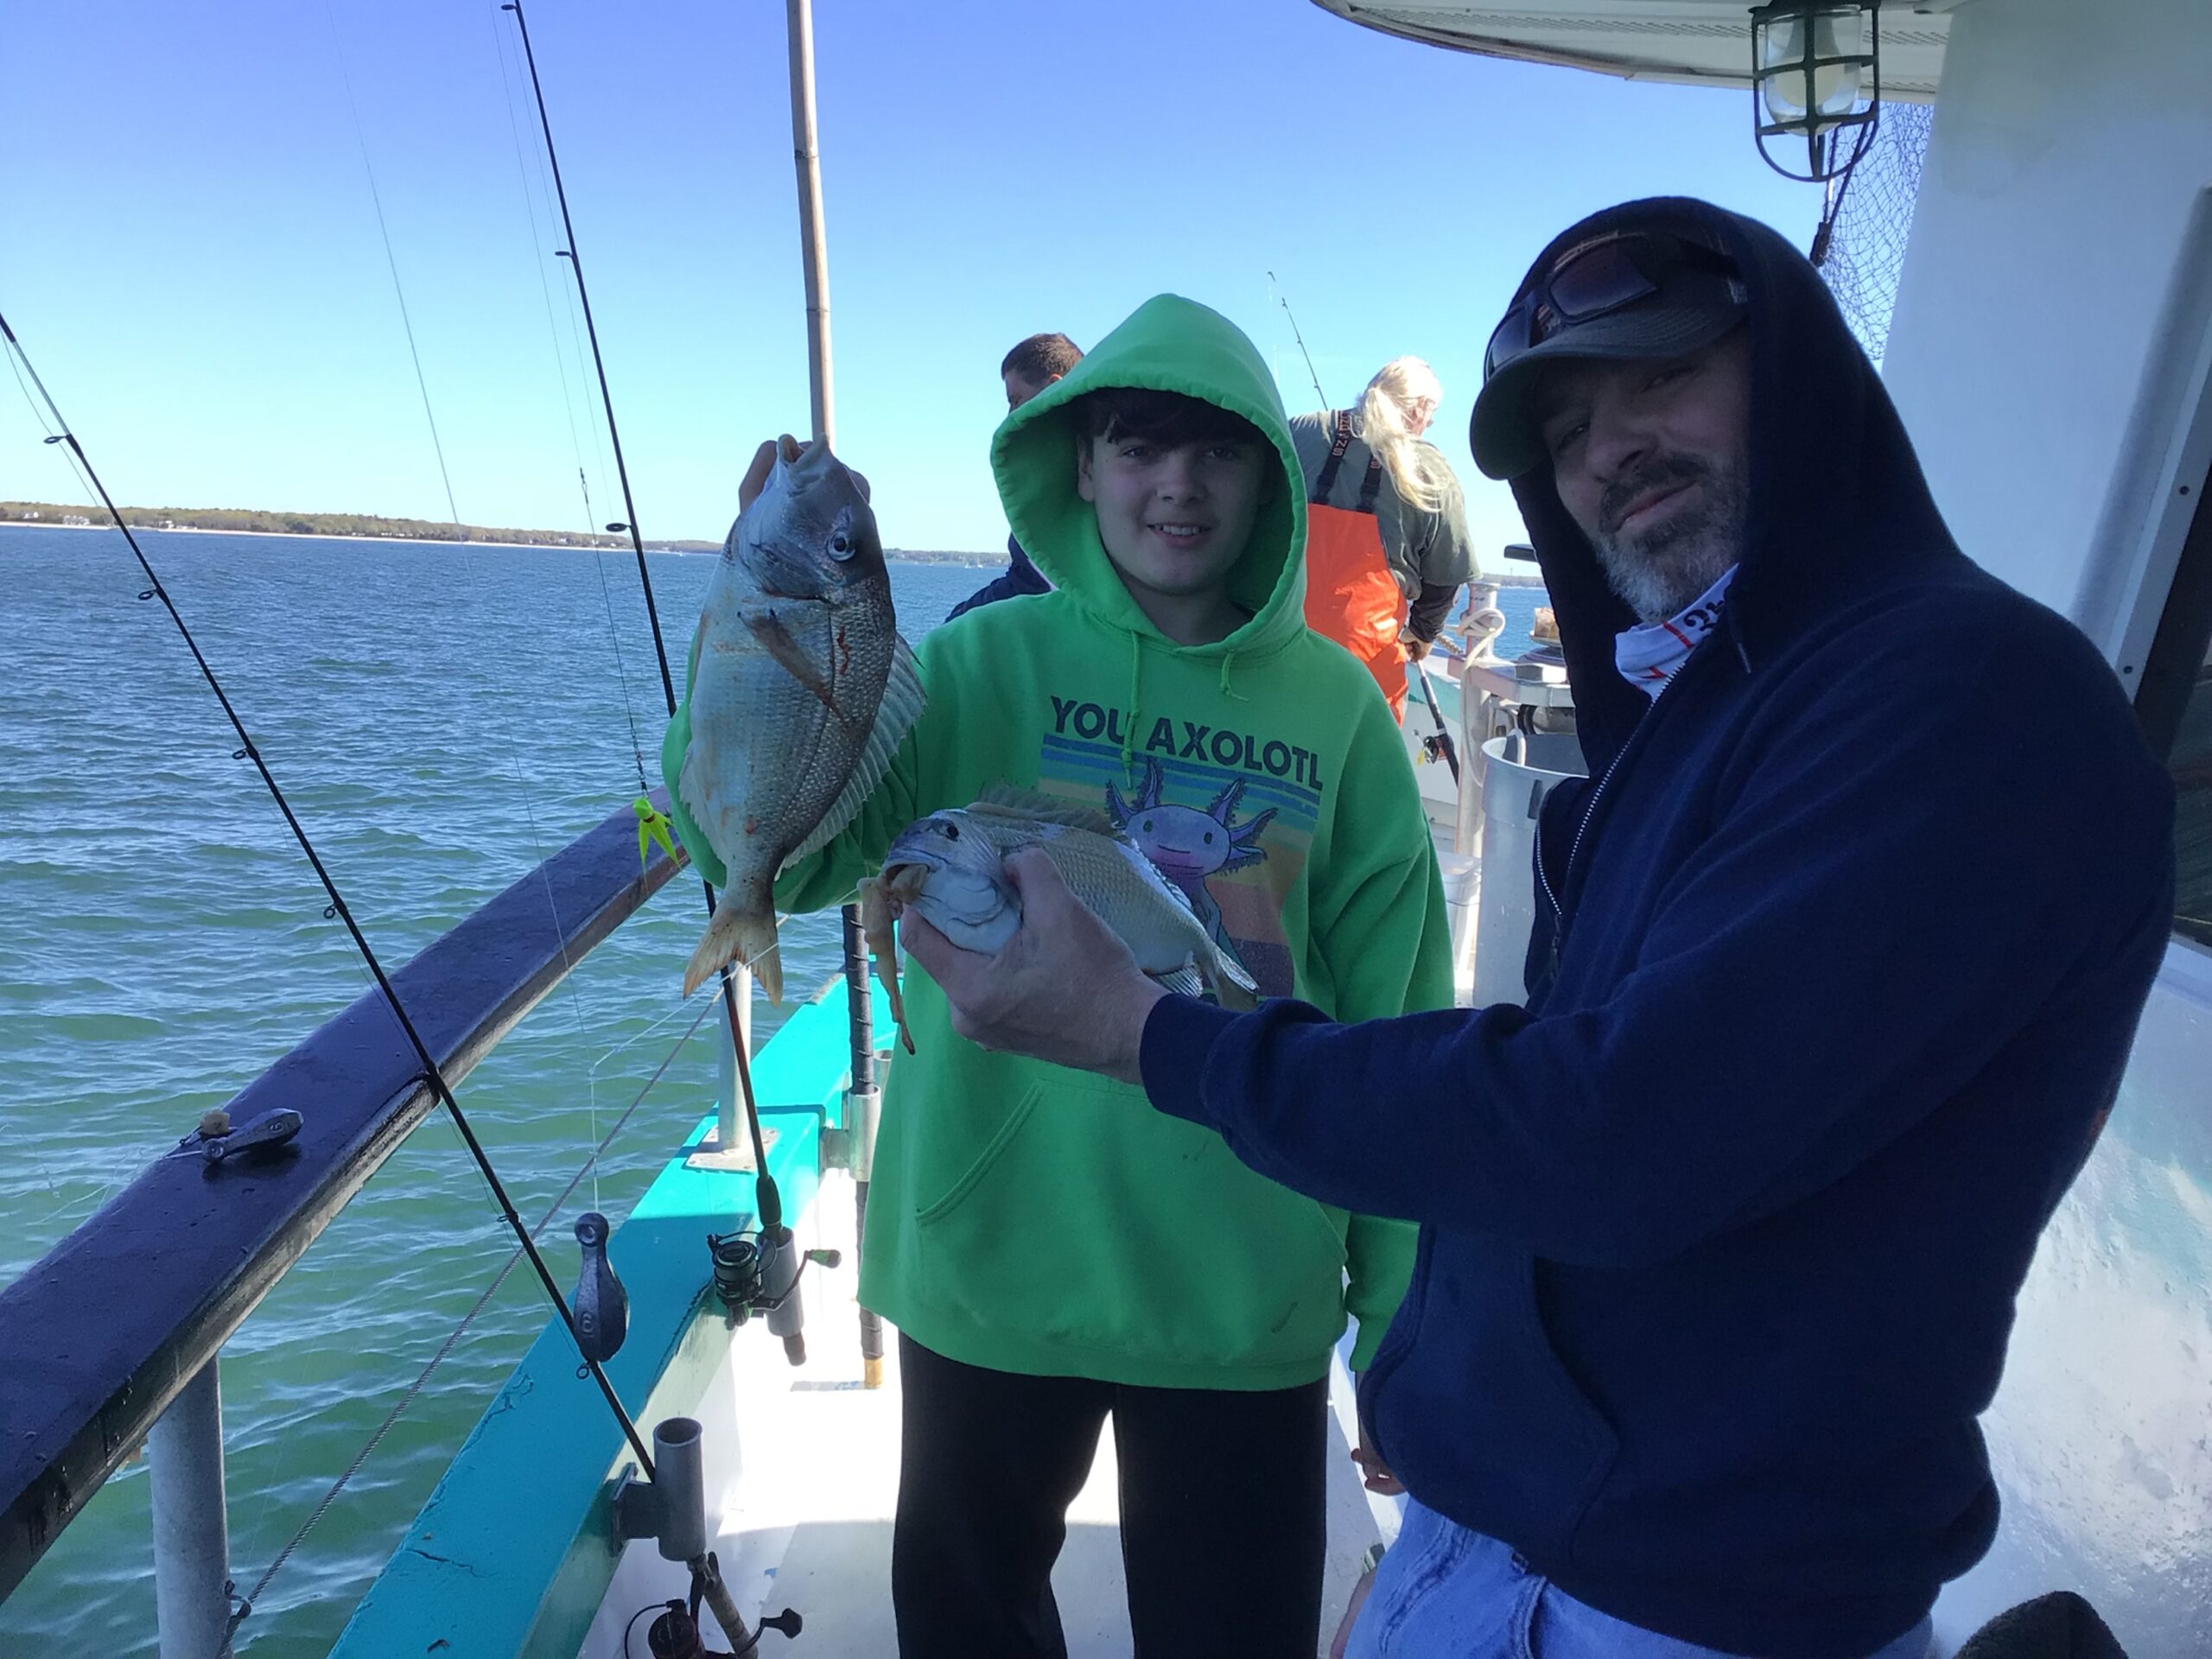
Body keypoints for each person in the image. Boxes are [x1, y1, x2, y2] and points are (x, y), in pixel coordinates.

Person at [893, 200, 2176, 1659]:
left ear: (1801, 374)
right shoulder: (1732, 717)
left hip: (1683, 1588)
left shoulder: (1966, 699)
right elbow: (808, 845)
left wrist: (1160, 1044)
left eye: (1661, 380)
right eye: (1567, 430)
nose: (1607, 449)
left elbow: (1617, 1127)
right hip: (1511, 1527)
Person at [660, 294, 1452, 1657]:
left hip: (1241, 1294)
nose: (1178, 485)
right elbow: (787, 869)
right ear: (1077, 465)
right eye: (1138, 446)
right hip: (989, 1273)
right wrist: (739, 619)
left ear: (1269, 470)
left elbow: (1402, 1033)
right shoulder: (972, 662)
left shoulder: (1341, 715)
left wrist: (1400, 1320)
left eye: (1218, 452)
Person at [1291, 357, 1476, 721]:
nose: (1432, 422)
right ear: (1420, 408)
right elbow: (1447, 573)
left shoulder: (1301, 430)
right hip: (1365, 668)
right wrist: (1422, 632)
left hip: (1277, 646)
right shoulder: (1430, 466)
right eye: (1432, 411)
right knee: (1360, 766)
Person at [946, 332, 1083, 620]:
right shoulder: (1063, 465)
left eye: (1016, 399)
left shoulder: (1074, 473)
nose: (1010, 415)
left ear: (1054, 388)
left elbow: (1043, 585)